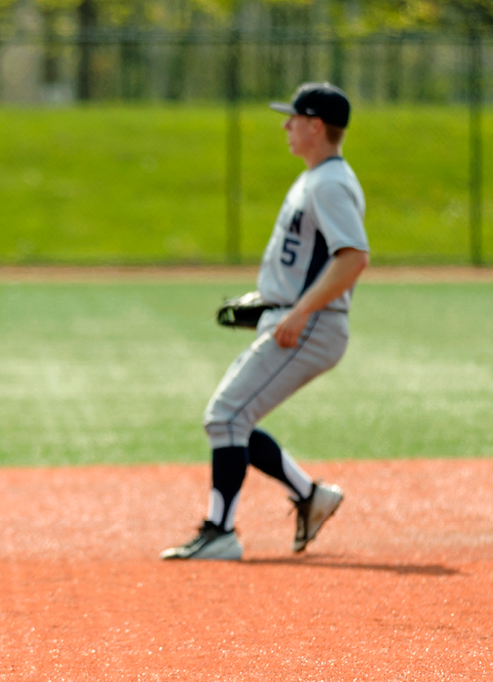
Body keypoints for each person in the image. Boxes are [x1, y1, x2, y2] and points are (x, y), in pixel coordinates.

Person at [161, 82, 369, 561]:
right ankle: (308, 495)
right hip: (299, 317)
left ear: (316, 126)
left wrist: (296, 312)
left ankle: (221, 531)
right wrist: (270, 302)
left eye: (293, 118)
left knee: (227, 416)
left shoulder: (332, 182)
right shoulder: (316, 177)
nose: (286, 125)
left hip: (313, 323)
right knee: (233, 417)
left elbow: (354, 257)